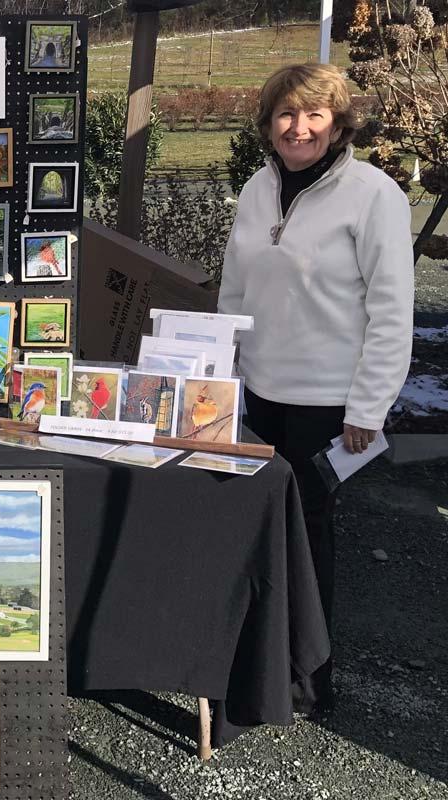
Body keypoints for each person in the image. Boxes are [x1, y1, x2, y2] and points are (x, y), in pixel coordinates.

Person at [219, 63, 414, 714]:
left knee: (306, 540)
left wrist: (369, 407)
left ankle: (306, 681)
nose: (297, 128)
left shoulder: (373, 194)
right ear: (268, 123)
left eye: (313, 115)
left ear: (337, 123)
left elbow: (391, 313)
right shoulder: (255, 190)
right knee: (254, 531)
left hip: (330, 406)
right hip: (258, 396)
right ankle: (257, 662)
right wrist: (219, 374)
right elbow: (233, 294)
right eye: (284, 114)